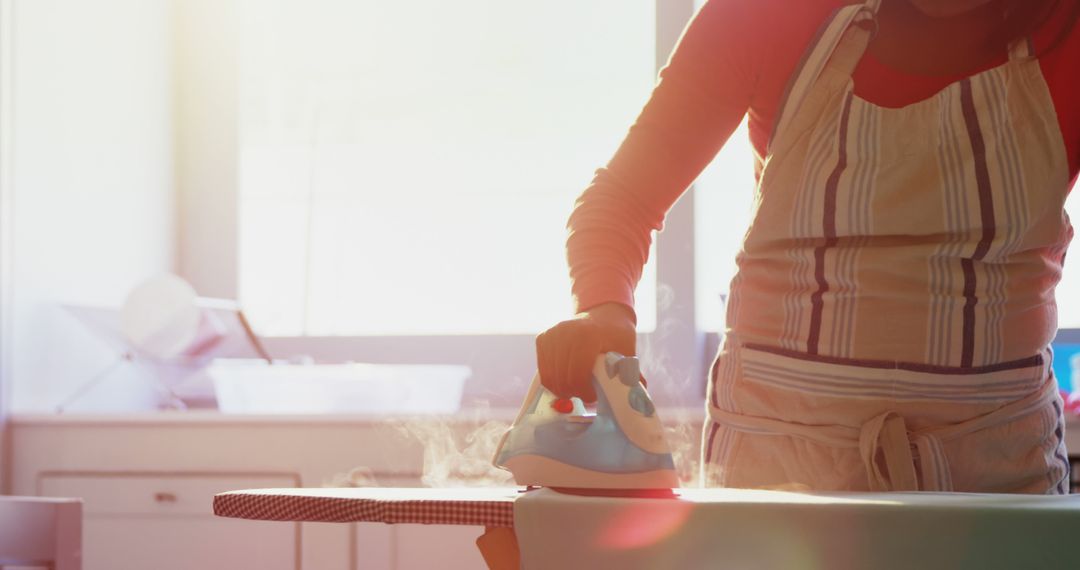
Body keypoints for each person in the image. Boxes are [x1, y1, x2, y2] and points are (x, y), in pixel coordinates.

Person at [535, 0, 1080, 493]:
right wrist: (603, 309)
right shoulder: (769, 14)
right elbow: (624, 198)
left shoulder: (1068, 31)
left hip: (1000, 488)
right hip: (778, 487)